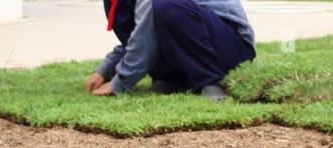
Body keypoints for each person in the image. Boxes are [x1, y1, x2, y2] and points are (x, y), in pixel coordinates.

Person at [86, 0, 256, 101]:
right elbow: (142, 28)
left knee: (164, 4)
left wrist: (119, 83)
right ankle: (171, 79)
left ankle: (211, 81)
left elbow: (147, 30)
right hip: (194, 36)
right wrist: (106, 69)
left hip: (232, 47)